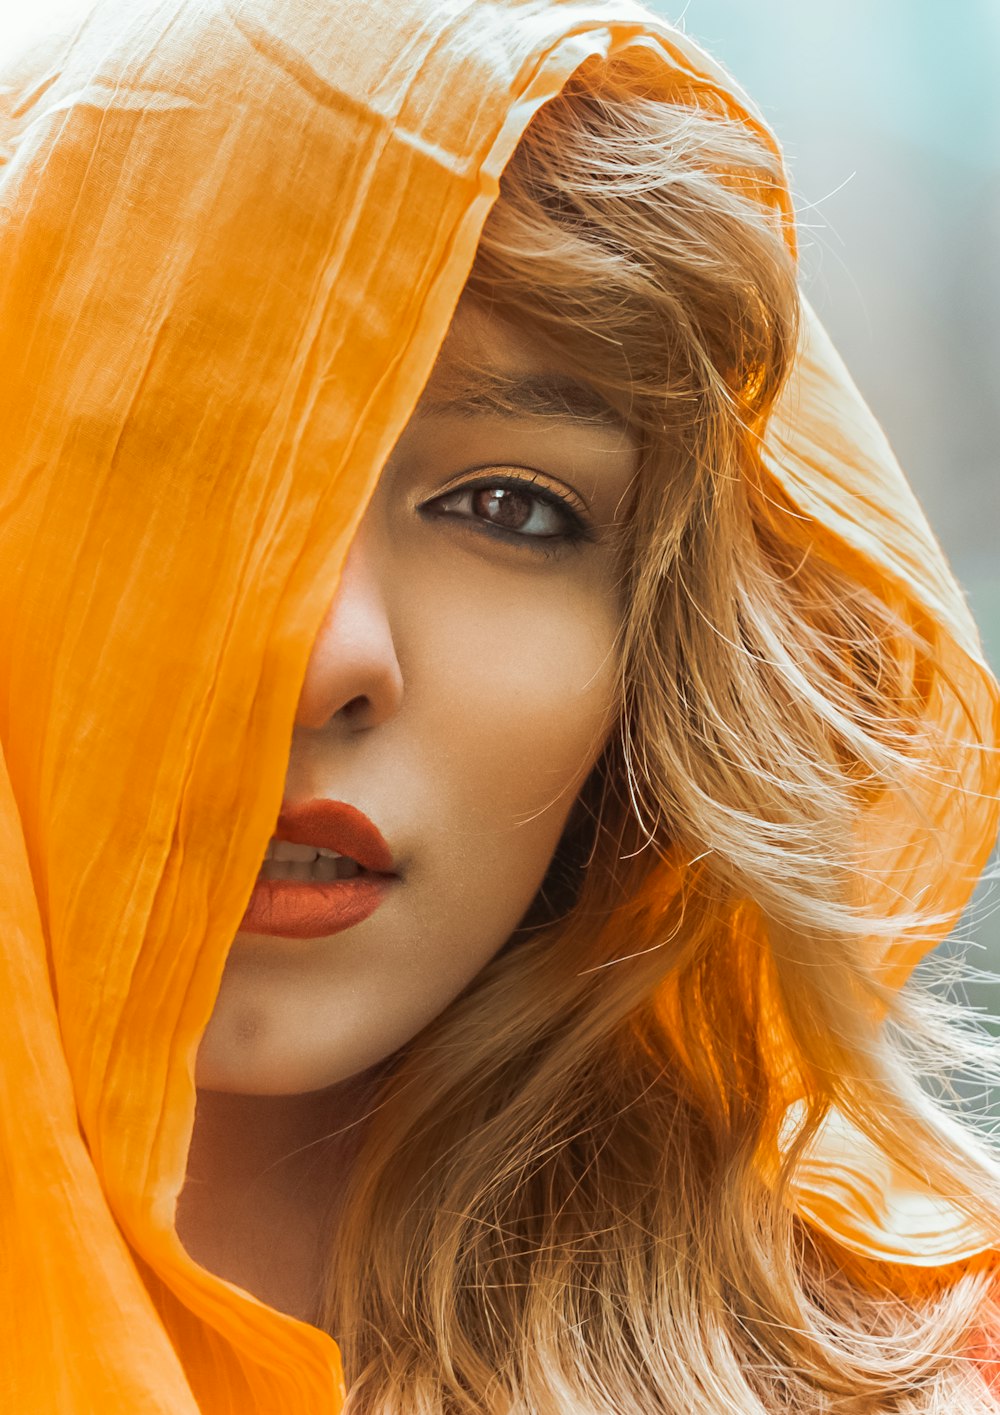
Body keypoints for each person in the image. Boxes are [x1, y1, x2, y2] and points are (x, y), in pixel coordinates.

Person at [1, 0, 998, 1410]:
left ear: (655, 664)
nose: (323, 657)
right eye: (181, 478)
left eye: (510, 506)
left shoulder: (916, 1372)